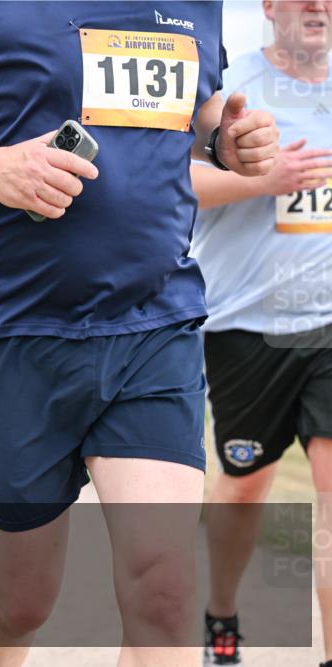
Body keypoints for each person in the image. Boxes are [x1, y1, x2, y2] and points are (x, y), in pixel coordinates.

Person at [0, 2, 280, 664]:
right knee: (21, 601)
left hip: (154, 324)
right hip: (11, 336)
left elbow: (193, 122)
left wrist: (226, 142)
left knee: (164, 595)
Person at [189, 2, 332, 664]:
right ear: (269, 7)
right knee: (247, 484)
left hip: (327, 324)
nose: (317, 6)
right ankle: (221, 609)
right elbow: (171, 184)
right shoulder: (228, 86)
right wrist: (264, 179)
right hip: (245, 323)